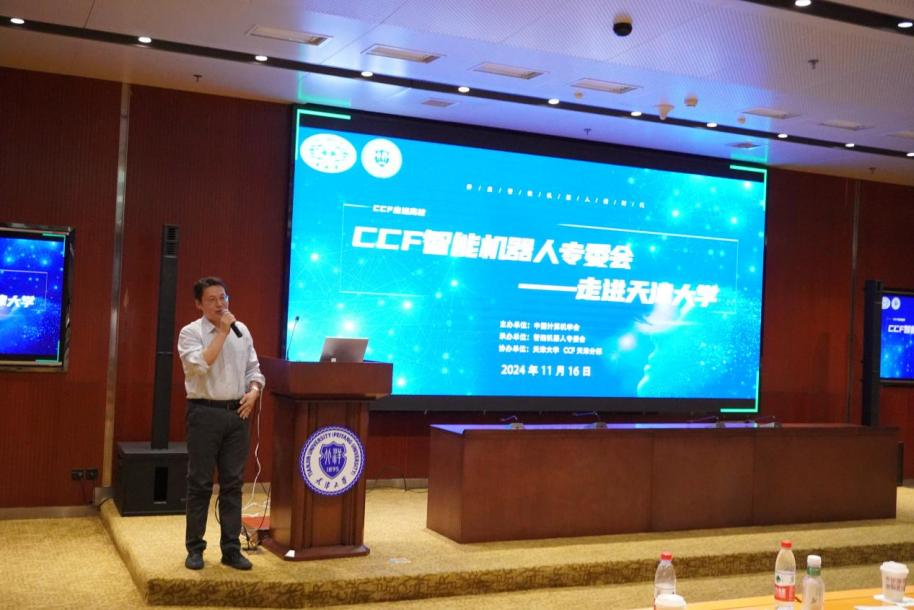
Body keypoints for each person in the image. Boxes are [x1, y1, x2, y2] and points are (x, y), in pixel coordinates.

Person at [177, 276, 265, 571]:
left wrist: (254, 391)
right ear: (199, 304)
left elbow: (254, 369)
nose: (220, 304)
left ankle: (231, 549)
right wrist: (223, 332)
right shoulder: (190, 333)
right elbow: (200, 365)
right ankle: (195, 549)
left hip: (237, 414)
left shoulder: (243, 331)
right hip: (204, 413)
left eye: (223, 298)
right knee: (200, 483)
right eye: (212, 299)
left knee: (232, 484)